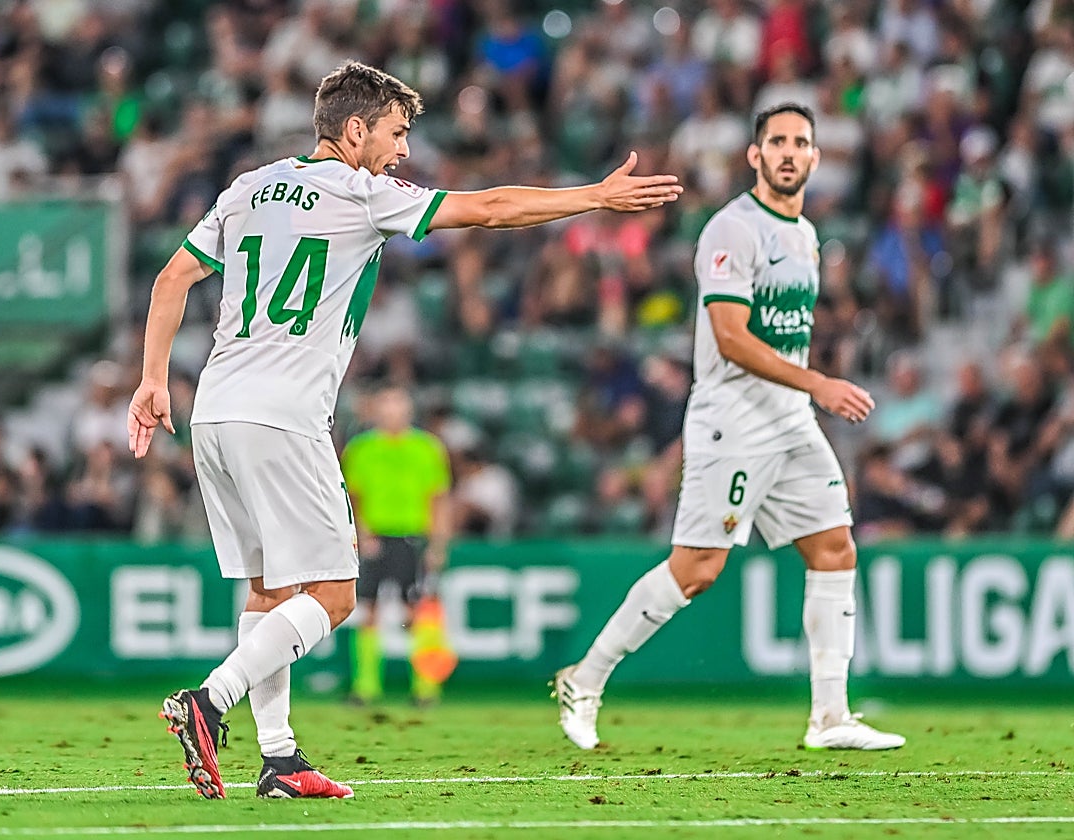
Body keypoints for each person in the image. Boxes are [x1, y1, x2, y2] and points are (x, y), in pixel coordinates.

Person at [126, 60, 682, 801]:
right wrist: (594, 196)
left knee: (266, 593)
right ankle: (208, 701)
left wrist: (153, 379)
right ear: (354, 130)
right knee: (332, 595)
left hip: (216, 413)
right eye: (396, 132)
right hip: (284, 415)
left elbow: (170, 281)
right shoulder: (361, 192)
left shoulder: (246, 186)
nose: (403, 151)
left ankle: (281, 759)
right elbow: (489, 209)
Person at [553, 103, 905, 753]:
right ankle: (585, 677)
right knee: (697, 568)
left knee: (835, 549)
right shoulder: (732, 229)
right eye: (777, 141)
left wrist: (806, 390)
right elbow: (730, 338)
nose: (790, 152)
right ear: (755, 155)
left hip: (789, 420)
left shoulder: (804, 235)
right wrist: (819, 383)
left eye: (802, 141)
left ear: (817, 158)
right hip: (734, 421)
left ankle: (830, 715)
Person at [341, 386, 452, 705]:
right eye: (386, 405)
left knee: (419, 609)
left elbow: (438, 499)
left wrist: (438, 543)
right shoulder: (361, 449)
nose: (392, 412)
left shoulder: (427, 448)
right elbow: (352, 498)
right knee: (368, 608)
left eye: (398, 406)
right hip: (374, 537)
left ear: (409, 411)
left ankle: (426, 687)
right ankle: (365, 687)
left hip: (412, 536)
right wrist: (361, 534)